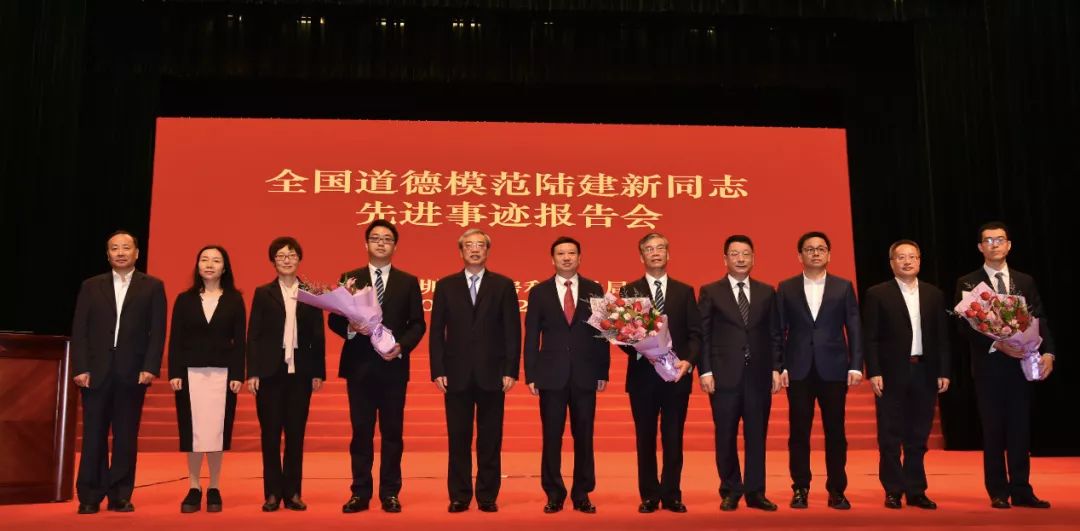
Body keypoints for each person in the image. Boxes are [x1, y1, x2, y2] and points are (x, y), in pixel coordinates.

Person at [955, 221, 1056, 509]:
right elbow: (964, 326)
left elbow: (1040, 318)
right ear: (980, 247)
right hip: (989, 367)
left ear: (1009, 245)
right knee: (993, 430)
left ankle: (1022, 489)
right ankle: (998, 490)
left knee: (1020, 429)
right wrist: (997, 344)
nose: (994, 245)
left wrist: (1049, 353)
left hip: (1022, 364)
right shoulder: (968, 282)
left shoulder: (1025, 280)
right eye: (988, 240)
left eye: (999, 239)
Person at [332, 220, 427, 514]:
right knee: (361, 432)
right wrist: (350, 327)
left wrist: (401, 346)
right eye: (375, 238)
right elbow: (334, 318)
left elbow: (418, 323)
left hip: (393, 367)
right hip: (359, 367)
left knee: (392, 433)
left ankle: (390, 493)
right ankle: (360, 493)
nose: (381, 243)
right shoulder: (351, 278)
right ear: (366, 244)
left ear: (395, 246)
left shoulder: (408, 282)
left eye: (387, 239)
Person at [71, 230, 167, 514]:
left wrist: (150, 366)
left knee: (126, 435)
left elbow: (157, 331)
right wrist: (80, 366)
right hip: (95, 372)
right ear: (108, 254)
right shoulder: (91, 286)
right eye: (115, 248)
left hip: (133, 372)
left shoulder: (152, 286)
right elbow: (79, 329)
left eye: (126, 247)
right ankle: (89, 495)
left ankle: (120, 494)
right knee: (93, 435)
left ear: (137, 253)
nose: (121, 252)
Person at [429, 228, 522, 513]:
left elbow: (512, 331)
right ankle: (459, 495)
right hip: (455, 373)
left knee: (490, 438)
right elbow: (437, 332)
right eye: (468, 245)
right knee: (458, 438)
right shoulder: (445, 286)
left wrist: (511, 369)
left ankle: (487, 495)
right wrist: (438, 369)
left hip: (492, 373)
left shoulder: (503, 285)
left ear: (487, 251)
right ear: (461, 251)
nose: (474, 249)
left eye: (480, 245)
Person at [776, 231, 864, 510]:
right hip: (798, 369)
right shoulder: (786, 287)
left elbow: (854, 328)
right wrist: (780, 365)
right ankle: (800, 487)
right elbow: (778, 331)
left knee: (835, 432)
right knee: (798, 432)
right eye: (809, 249)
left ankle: (837, 489)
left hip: (834, 369)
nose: (815, 253)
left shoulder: (843, 286)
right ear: (799, 255)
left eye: (821, 248)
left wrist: (855, 364)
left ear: (829, 254)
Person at [524, 236, 610, 514]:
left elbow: (602, 332)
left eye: (571, 253)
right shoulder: (539, 292)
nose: (566, 257)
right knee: (552, 437)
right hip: (551, 375)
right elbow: (531, 336)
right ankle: (554, 493)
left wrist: (603, 370)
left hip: (585, 374)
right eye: (561, 253)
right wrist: (531, 373)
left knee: (584, 436)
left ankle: (582, 493)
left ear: (579, 257)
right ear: (553, 259)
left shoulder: (594, 289)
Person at [863, 240, 950, 510]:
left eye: (912, 256)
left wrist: (944, 370)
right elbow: (870, 337)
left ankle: (916, 490)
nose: (907, 261)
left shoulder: (934, 294)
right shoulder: (877, 294)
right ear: (892, 263)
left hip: (925, 371)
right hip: (891, 373)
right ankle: (893, 490)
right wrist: (874, 371)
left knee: (918, 435)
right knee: (890, 435)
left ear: (919, 261)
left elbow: (942, 337)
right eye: (901, 257)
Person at [698, 234, 782, 512]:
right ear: (725, 259)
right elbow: (704, 334)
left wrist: (776, 367)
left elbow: (774, 333)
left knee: (757, 435)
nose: (741, 259)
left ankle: (756, 492)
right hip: (724, 374)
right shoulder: (711, 291)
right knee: (725, 434)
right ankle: (731, 489)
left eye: (746, 254)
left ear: (753, 258)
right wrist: (705, 371)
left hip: (758, 374)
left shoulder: (767, 292)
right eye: (735, 254)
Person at [618, 232, 700, 513]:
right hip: (643, 376)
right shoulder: (629, 292)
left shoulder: (684, 291)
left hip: (676, 375)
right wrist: (644, 351)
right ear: (641, 256)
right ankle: (650, 495)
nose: (655, 253)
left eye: (660, 248)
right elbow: (622, 336)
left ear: (668, 254)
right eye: (649, 249)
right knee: (645, 437)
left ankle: (672, 494)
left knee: (673, 437)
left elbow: (695, 333)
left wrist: (688, 362)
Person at [246, 236, 326, 512]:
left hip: (300, 372)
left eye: (291, 255)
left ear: (299, 259)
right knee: (270, 434)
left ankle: (293, 493)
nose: (286, 260)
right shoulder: (263, 293)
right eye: (281, 256)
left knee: (295, 434)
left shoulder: (310, 292)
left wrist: (318, 371)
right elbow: (254, 335)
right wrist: (253, 372)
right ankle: (272, 493)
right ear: (273, 261)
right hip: (270, 371)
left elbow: (317, 335)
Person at [168, 245, 246, 513]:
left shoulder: (234, 300)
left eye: (216, 261)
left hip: (223, 375)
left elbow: (240, 341)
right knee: (193, 431)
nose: (209, 265)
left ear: (225, 268)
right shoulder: (184, 299)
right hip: (190, 373)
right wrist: (175, 372)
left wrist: (238, 374)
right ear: (197, 265)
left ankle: (214, 486)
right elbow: (175, 339)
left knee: (216, 431)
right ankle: (193, 486)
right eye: (204, 260)